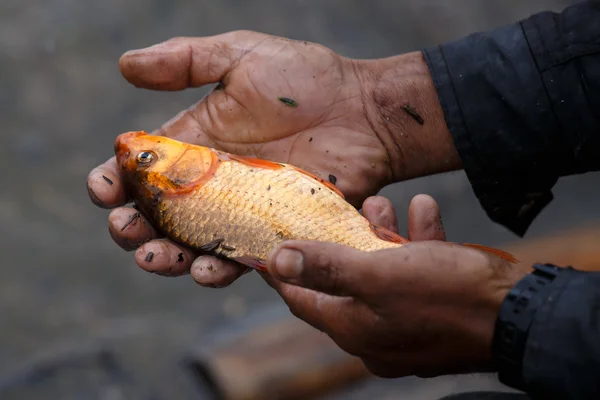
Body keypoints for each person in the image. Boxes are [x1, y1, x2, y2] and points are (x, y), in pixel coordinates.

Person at [87, 1, 599, 398]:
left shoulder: (203, 169)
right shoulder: (202, 169)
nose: (136, 147)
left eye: (144, 159)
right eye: (146, 161)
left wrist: (509, 315)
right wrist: (382, 105)